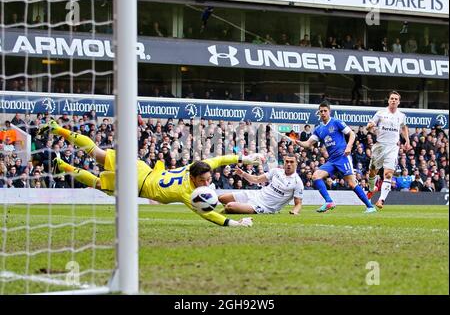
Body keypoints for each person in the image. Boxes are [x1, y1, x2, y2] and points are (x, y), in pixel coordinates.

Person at [38, 120, 265, 227]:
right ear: (195, 179)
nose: (207, 182)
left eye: (208, 179)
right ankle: (63, 167)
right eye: (204, 180)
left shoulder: (195, 167)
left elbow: (221, 159)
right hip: (136, 184)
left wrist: (245, 158)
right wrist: (237, 224)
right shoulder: (188, 192)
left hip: (141, 169)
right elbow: (210, 215)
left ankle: (57, 128)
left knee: (96, 152)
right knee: (98, 183)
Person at [295, 101, 376, 213]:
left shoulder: (336, 122)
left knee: (352, 183)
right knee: (315, 176)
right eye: (321, 111)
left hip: (343, 157)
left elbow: (352, 134)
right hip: (332, 160)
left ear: (329, 111)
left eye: (325, 111)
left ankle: (370, 206)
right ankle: (329, 201)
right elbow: (308, 144)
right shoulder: (319, 129)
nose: (323, 113)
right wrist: (298, 142)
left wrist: (348, 147)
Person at [366, 91, 411, 209]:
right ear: (388, 100)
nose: (394, 100)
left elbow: (404, 128)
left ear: (399, 102)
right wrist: (369, 126)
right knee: (372, 172)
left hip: (392, 147)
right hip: (379, 146)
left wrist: (407, 141)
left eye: (396, 99)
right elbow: (370, 124)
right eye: (392, 98)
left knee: (388, 174)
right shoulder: (380, 113)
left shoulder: (401, 116)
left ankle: (381, 200)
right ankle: (372, 188)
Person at [218, 153, 303, 215]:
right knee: (221, 198)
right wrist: (243, 174)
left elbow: (298, 203)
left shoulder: (297, 182)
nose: (288, 164)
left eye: (291, 162)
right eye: (287, 161)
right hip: (256, 194)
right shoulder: (276, 171)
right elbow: (256, 179)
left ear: (296, 164)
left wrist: (294, 211)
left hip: (263, 206)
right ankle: (234, 210)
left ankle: (229, 210)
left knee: (230, 206)